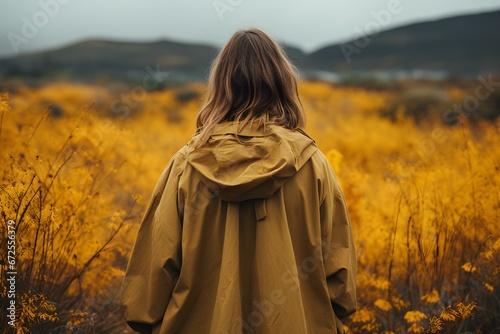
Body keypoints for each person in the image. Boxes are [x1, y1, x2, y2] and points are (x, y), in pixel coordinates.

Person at [119, 28, 357, 334]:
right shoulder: (313, 165)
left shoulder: (185, 166)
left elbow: (149, 282)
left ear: (220, 85)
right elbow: (341, 279)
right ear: (282, 82)